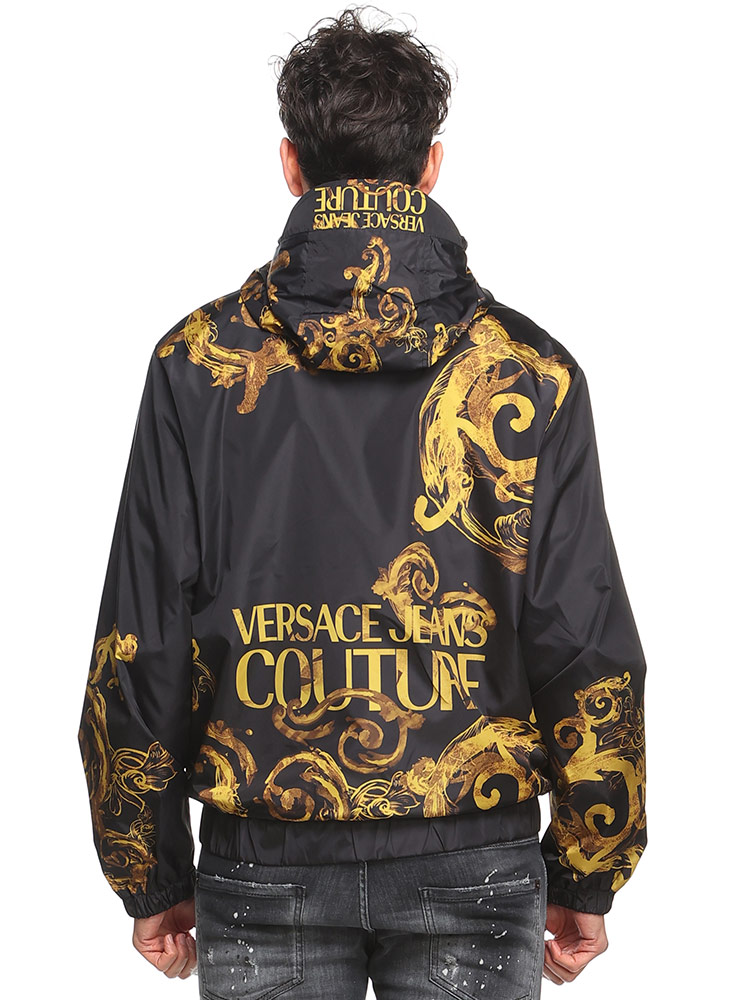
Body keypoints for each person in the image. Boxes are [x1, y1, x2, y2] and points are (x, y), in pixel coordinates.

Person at [78, 7, 647, 997]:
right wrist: (588, 867)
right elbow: (582, 639)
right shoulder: (529, 372)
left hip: (264, 853)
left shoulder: (198, 365)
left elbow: (142, 637)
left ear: (290, 166)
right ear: (431, 170)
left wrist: (148, 870)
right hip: (475, 849)